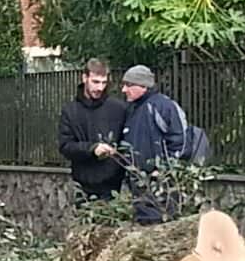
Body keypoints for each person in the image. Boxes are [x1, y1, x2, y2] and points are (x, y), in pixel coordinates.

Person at [119, 64, 187, 224]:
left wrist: (163, 170)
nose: (123, 90)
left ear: (143, 86)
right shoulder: (134, 108)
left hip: (159, 185)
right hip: (140, 183)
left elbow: (179, 140)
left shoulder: (162, 106)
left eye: (128, 85)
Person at [58, 59, 127, 203]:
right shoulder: (70, 111)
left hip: (114, 185)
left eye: (103, 82)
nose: (100, 88)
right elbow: (65, 146)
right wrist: (92, 149)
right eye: (95, 82)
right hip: (83, 185)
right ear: (85, 78)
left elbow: (128, 143)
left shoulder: (119, 109)